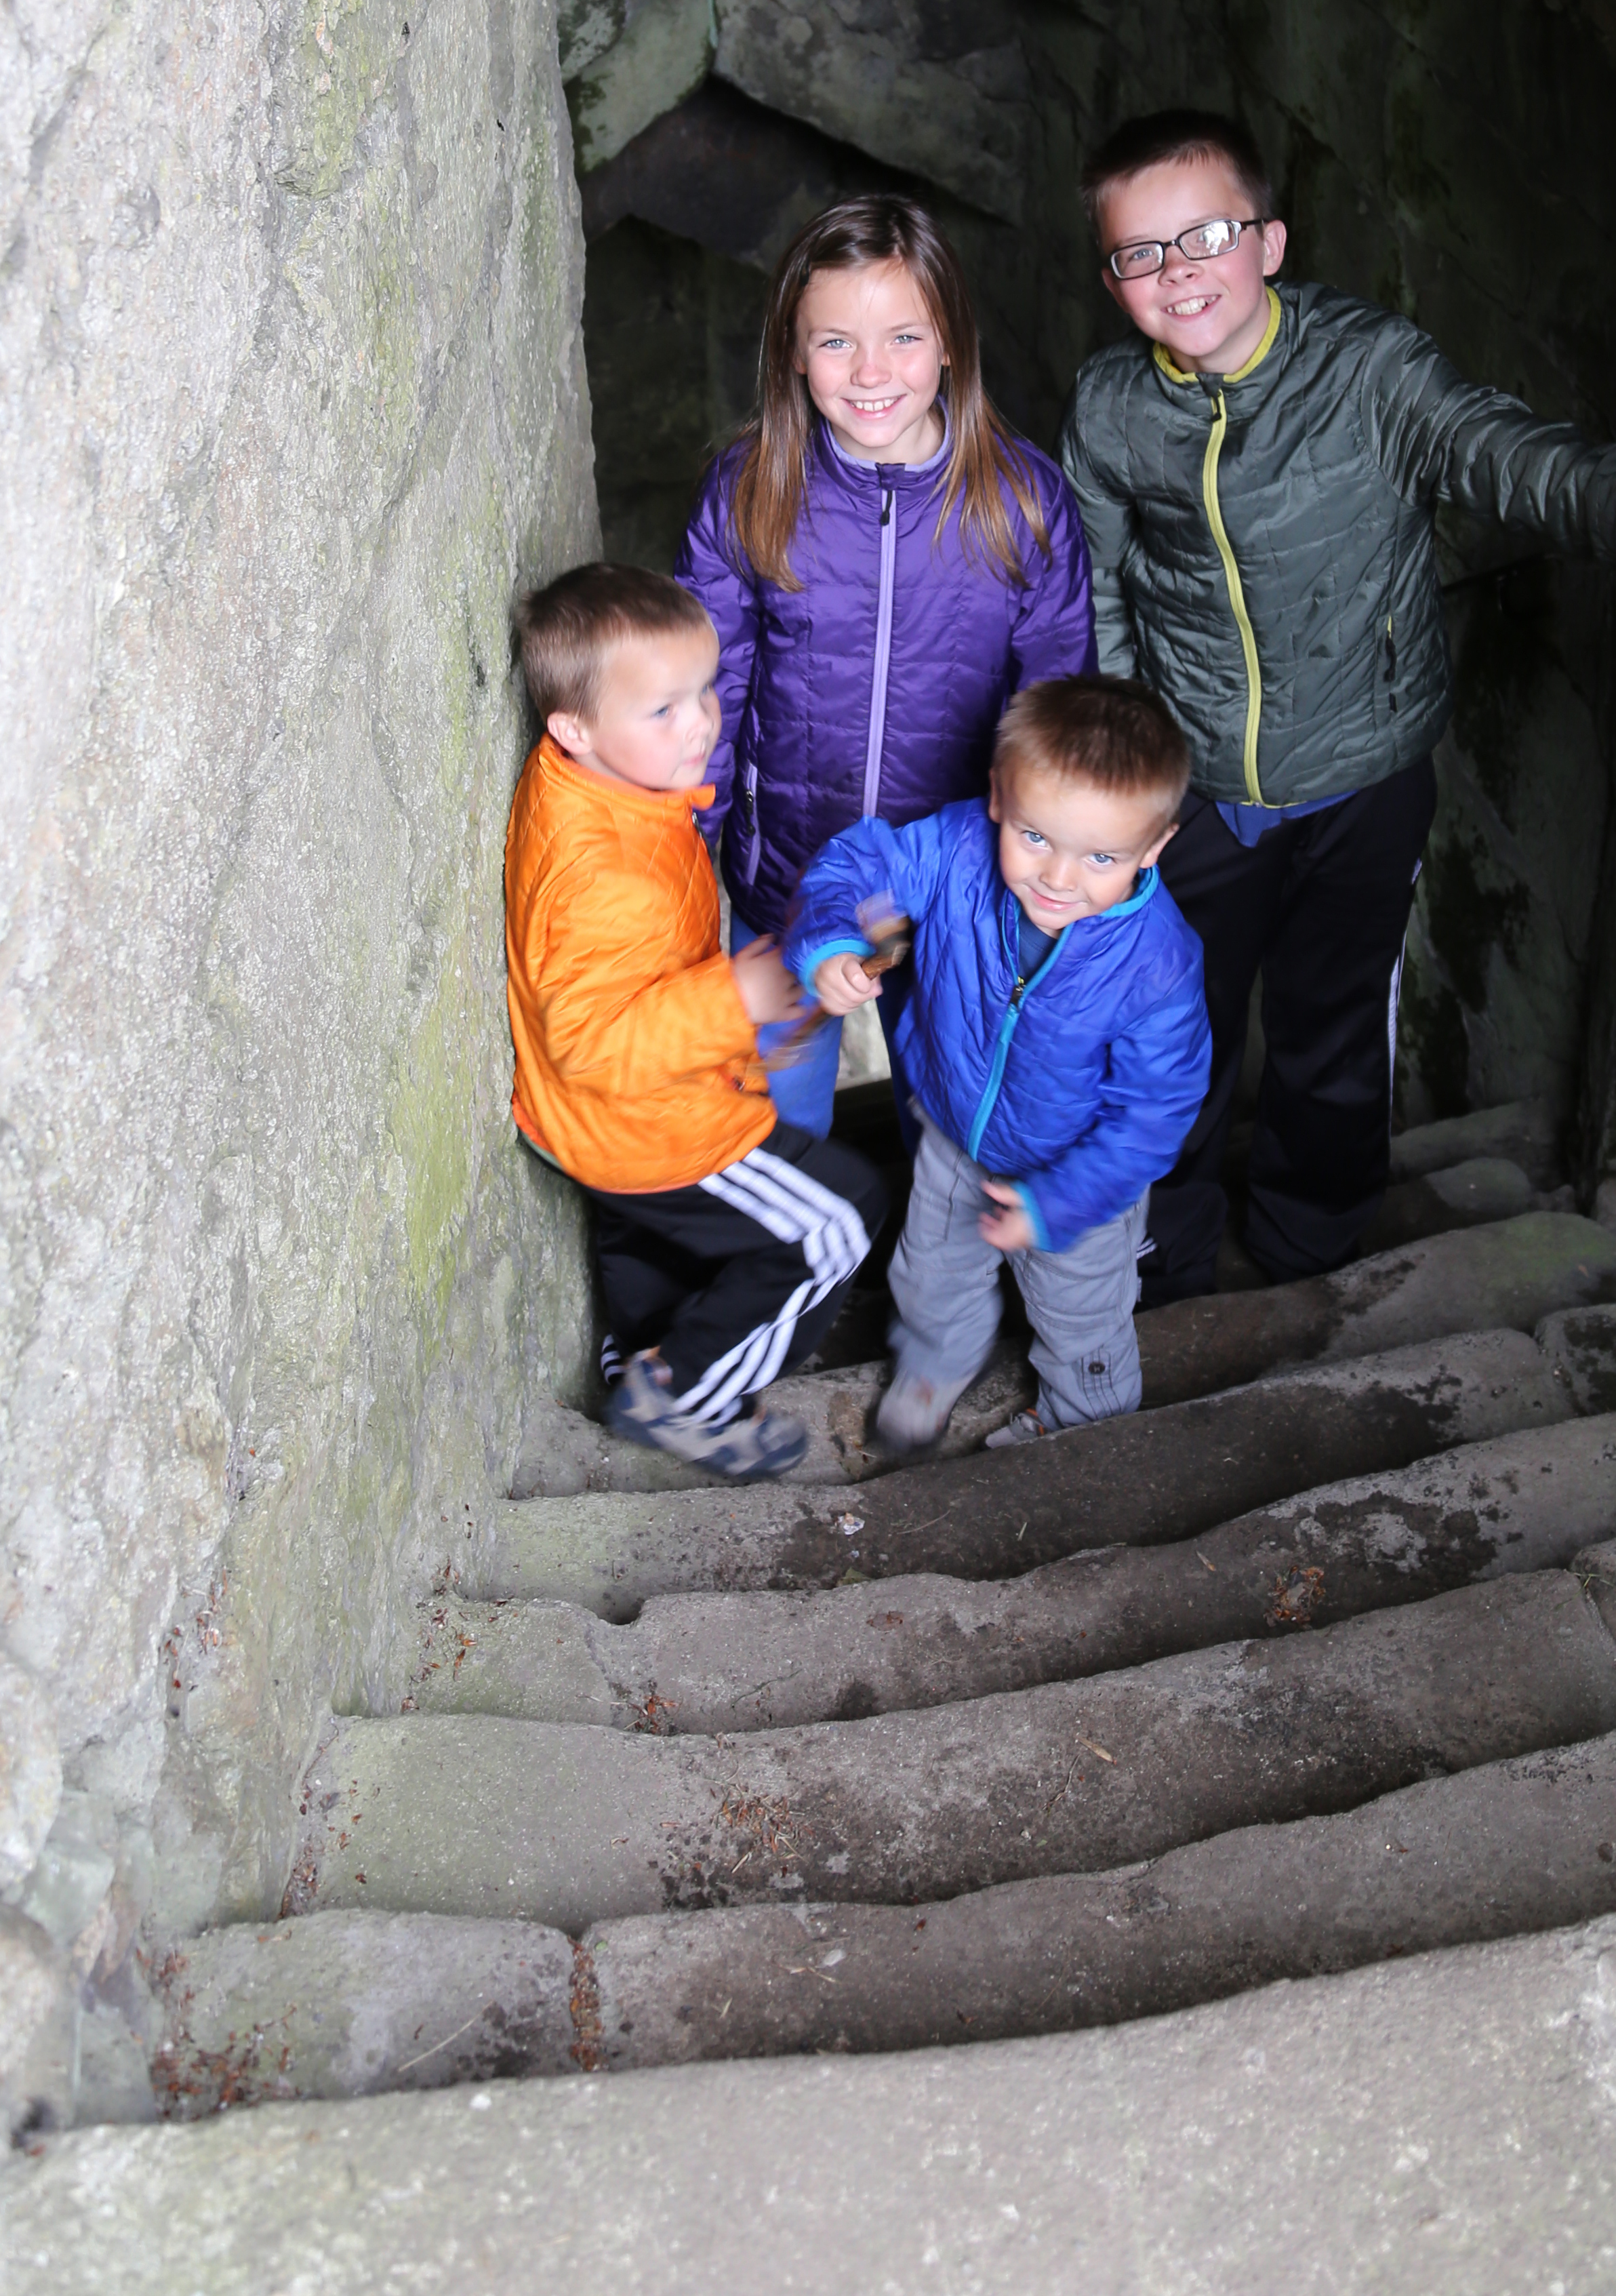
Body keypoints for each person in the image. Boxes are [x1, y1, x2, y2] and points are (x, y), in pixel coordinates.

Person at [1056, 108, 1616, 1304]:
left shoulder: (1369, 371)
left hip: (1362, 775)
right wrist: (1111, 777)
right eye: (1139, 252)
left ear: (1270, 240)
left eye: (1203, 234)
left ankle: (1308, 1250)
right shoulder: (1108, 408)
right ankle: (1160, 1262)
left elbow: (1519, 458)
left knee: (1332, 1025)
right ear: (1111, 277)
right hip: (1184, 793)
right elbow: (1090, 591)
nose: (1177, 270)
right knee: (1161, 1040)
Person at [678, 194, 1095, 1134]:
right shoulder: (751, 488)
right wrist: (683, 855)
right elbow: (708, 688)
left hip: (955, 889)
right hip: (785, 872)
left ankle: (940, 1283)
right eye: (835, 343)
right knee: (772, 1129)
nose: (871, 373)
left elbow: (1054, 711)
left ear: (951, 342)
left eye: (903, 337)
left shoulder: (1022, 502)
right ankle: (805, 1279)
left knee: (954, 1124)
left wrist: (1050, 882)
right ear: (791, 349)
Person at [503, 561, 886, 1481]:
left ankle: (639, 1346)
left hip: (590, 1122)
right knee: (837, 1220)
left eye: (704, 690)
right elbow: (595, 1042)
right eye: (663, 710)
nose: (704, 720)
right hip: (645, 1119)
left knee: (648, 1236)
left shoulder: (593, 788)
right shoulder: (604, 873)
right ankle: (682, 1391)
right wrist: (735, 1001)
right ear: (575, 728)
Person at [786, 678, 1210, 1453]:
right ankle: (933, 1367)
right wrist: (837, 939)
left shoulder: (1158, 964)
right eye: (1036, 836)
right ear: (997, 800)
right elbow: (863, 866)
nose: (1058, 878)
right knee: (929, 1276)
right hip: (953, 1135)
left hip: (1077, 1180)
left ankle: (1085, 1420)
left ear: (1154, 848)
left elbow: (1155, 1115)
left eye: (1102, 856)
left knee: (1080, 1314)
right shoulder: (956, 851)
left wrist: (1056, 1206)